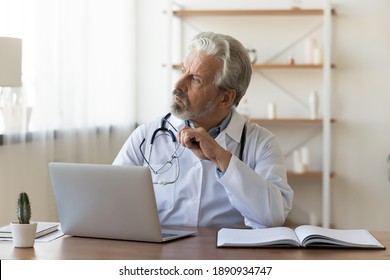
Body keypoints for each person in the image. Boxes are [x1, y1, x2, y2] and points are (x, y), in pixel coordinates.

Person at [113, 31, 293, 229]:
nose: (178, 84)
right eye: (183, 71)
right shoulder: (146, 136)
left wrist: (220, 157)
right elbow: (109, 201)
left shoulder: (262, 144)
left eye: (195, 79)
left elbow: (273, 217)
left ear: (225, 98)